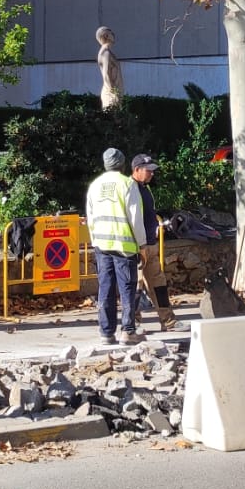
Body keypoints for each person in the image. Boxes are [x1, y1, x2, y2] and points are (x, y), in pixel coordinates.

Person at [85, 146, 147, 344]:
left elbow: (91, 217)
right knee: (127, 288)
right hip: (124, 245)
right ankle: (128, 331)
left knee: (106, 287)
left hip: (102, 245)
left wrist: (95, 240)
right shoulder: (127, 184)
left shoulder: (94, 185)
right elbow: (135, 218)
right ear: (122, 163)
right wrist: (142, 245)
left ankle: (106, 332)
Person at [129, 153, 178, 333]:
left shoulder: (144, 188)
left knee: (158, 283)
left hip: (150, 243)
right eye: (148, 170)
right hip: (136, 246)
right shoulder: (129, 188)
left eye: (152, 170)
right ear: (136, 170)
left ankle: (168, 321)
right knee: (136, 285)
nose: (152, 174)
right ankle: (133, 323)